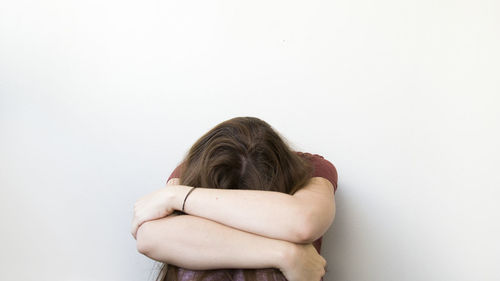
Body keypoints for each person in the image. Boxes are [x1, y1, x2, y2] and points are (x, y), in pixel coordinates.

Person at [131, 117, 338, 281]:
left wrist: (176, 196)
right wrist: (286, 254)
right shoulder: (191, 168)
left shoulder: (310, 169)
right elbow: (150, 236)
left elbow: (302, 221)